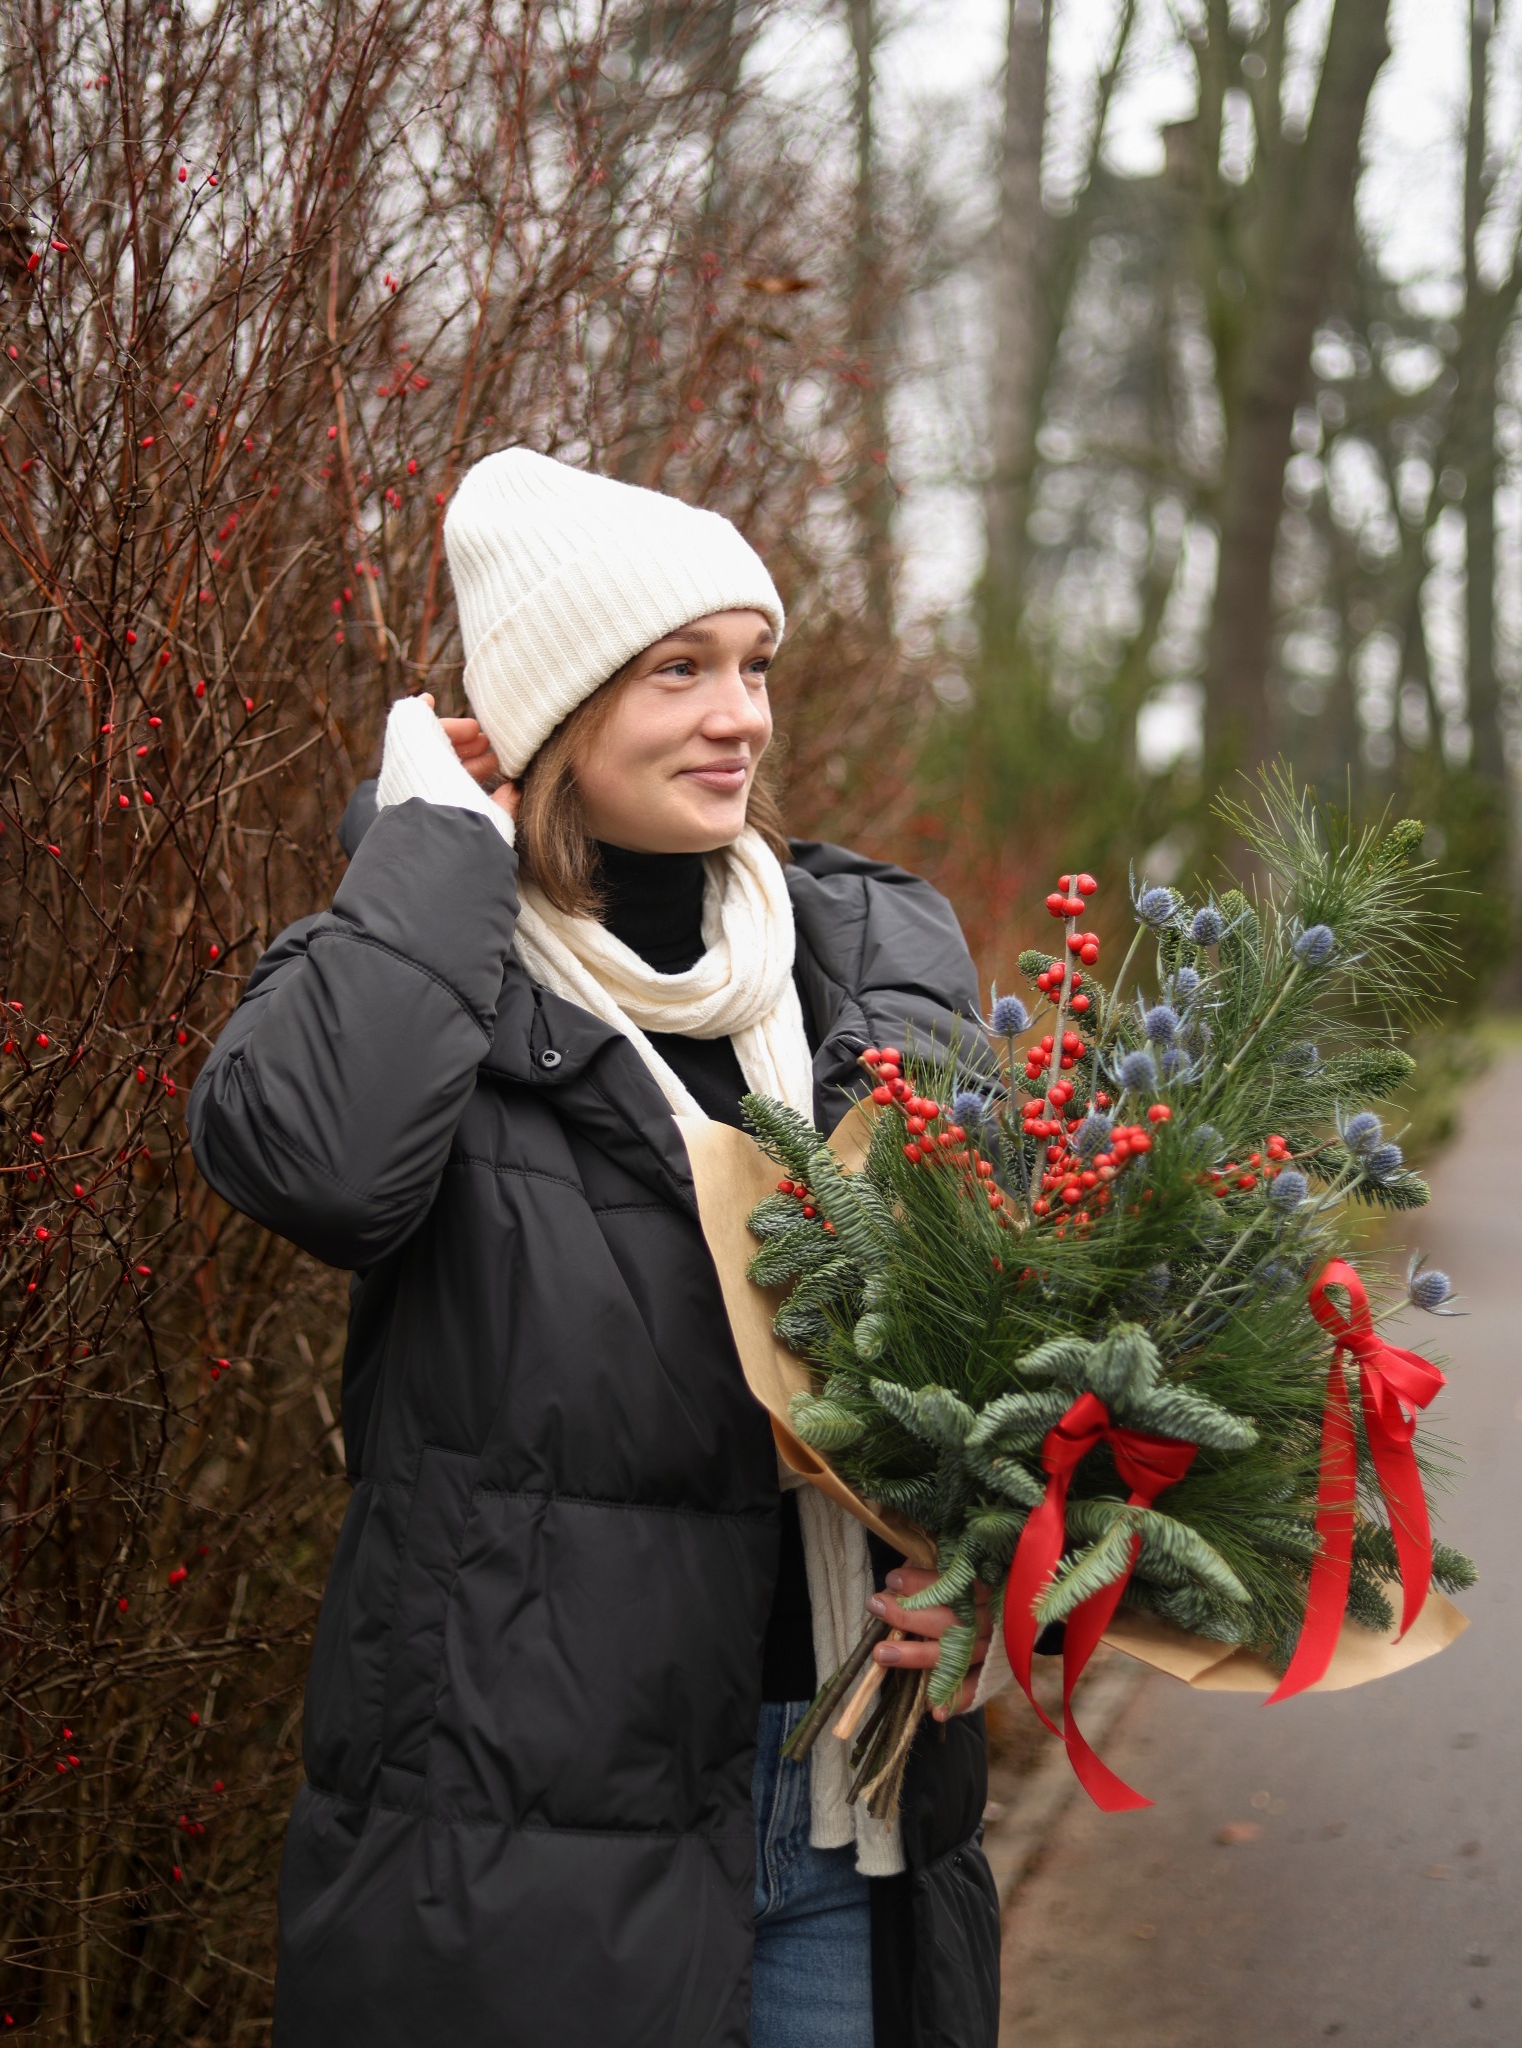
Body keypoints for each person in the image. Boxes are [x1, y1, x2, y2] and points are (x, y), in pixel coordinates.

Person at [186, 448, 1001, 2048]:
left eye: (752, 666)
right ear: (556, 704)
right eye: (675, 671)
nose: (739, 717)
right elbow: (322, 1170)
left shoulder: (862, 957)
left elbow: (989, 1349)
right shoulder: (419, 973)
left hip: (854, 1797)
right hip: (514, 1846)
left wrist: (995, 1566)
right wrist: (430, 844)